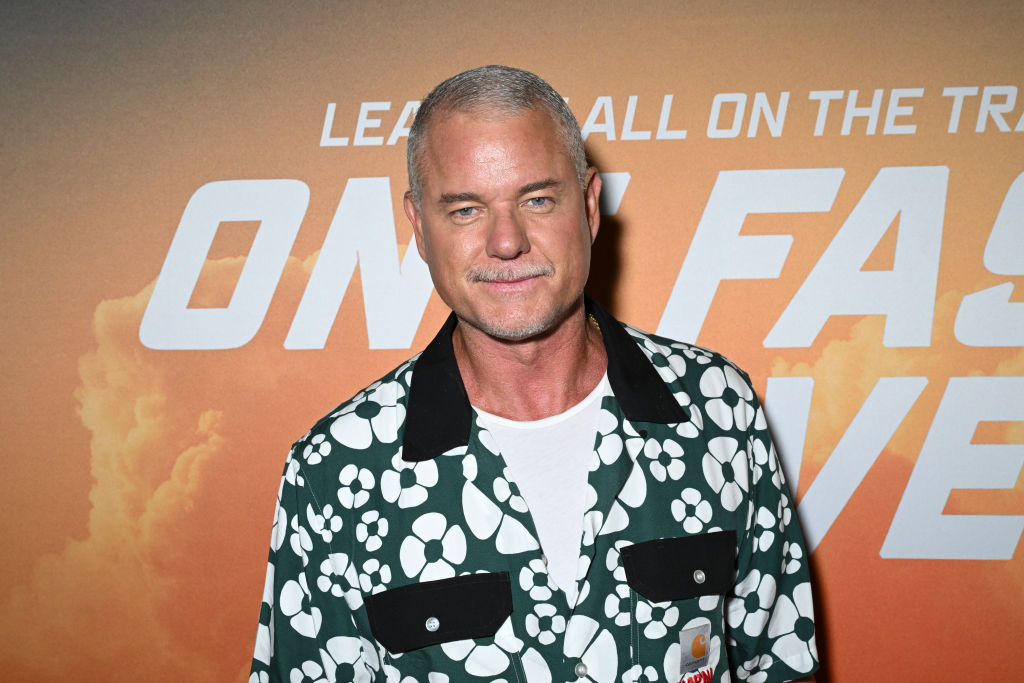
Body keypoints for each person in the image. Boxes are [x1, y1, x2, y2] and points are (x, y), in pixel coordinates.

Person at [249, 65, 818, 683]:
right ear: (419, 227)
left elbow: (783, 662)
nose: (506, 242)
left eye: (537, 200)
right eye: (465, 210)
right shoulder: (335, 470)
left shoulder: (718, 410)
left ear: (590, 205)